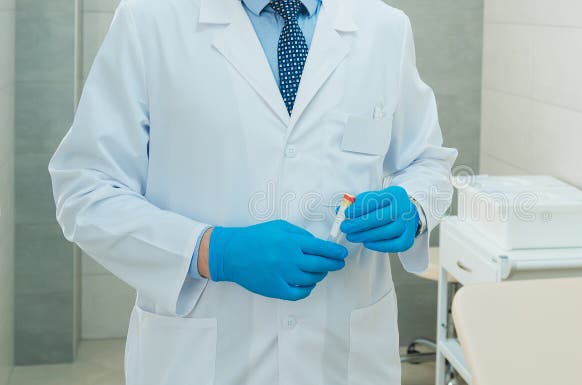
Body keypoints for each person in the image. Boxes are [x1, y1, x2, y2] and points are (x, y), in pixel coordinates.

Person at [48, 0, 457, 384]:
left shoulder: (383, 27)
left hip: (345, 356)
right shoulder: (150, 18)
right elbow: (85, 189)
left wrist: (414, 206)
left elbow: (426, 161)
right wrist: (213, 251)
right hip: (201, 357)